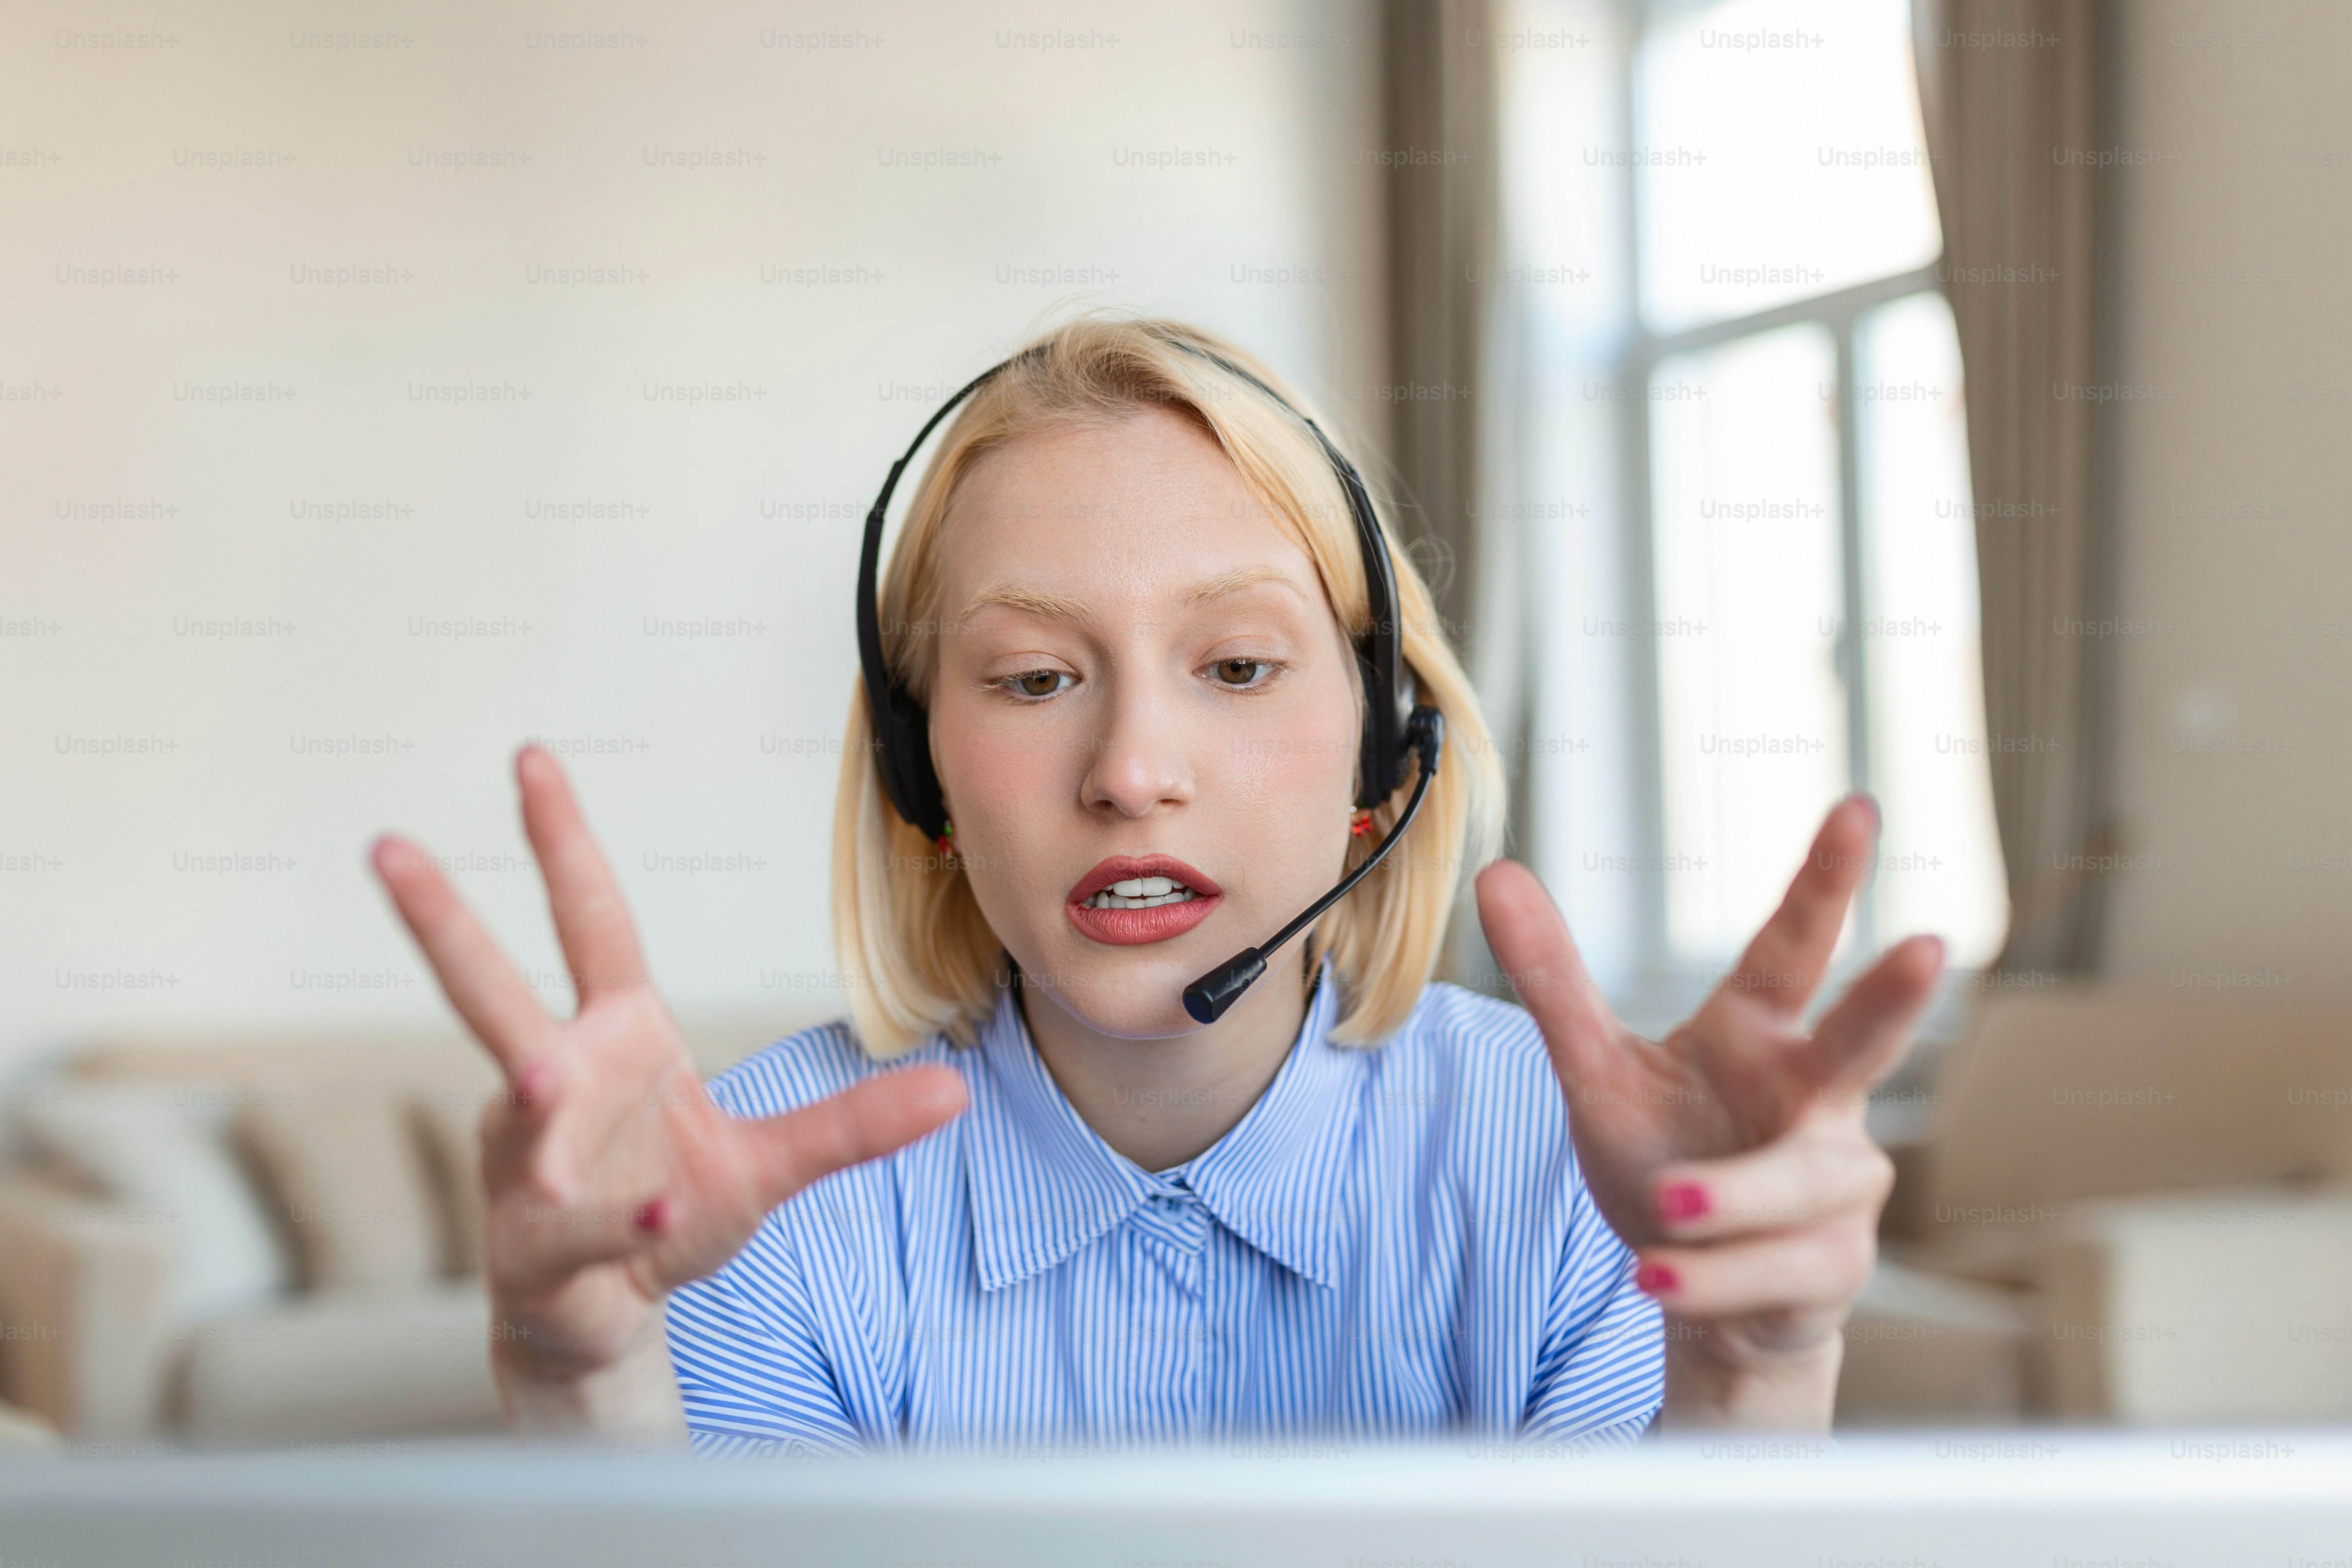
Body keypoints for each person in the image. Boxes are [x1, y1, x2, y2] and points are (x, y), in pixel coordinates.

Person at [370, 317, 1941, 1454]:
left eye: (1239, 664)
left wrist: (1746, 1378)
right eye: (1038, 678)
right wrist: (588, 1393)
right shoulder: (750, 1211)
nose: (1131, 770)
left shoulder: (1571, 1166)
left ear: (1384, 755)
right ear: (924, 784)